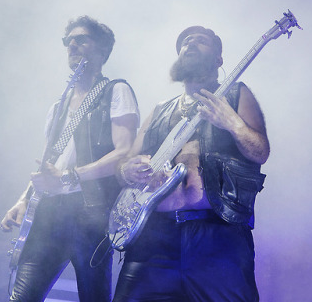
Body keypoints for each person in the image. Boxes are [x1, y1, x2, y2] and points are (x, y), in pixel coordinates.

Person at [112, 26, 270, 302]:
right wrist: (128, 170)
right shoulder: (161, 110)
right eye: (186, 41)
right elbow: (123, 166)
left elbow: (260, 152)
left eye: (201, 41)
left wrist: (231, 122)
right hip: (153, 241)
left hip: (218, 239)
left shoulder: (236, 95)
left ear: (219, 59)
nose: (191, 44)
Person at [0, 16, 140, 302]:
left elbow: (125, 153)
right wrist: (24, 198)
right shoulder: (58, 106)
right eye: (68, 41)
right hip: (49, 212)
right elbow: (49, 162)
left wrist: (70, 176)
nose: (72, 45)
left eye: (81, 39)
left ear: (101, 50)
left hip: (90, 213)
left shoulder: (116, 91)